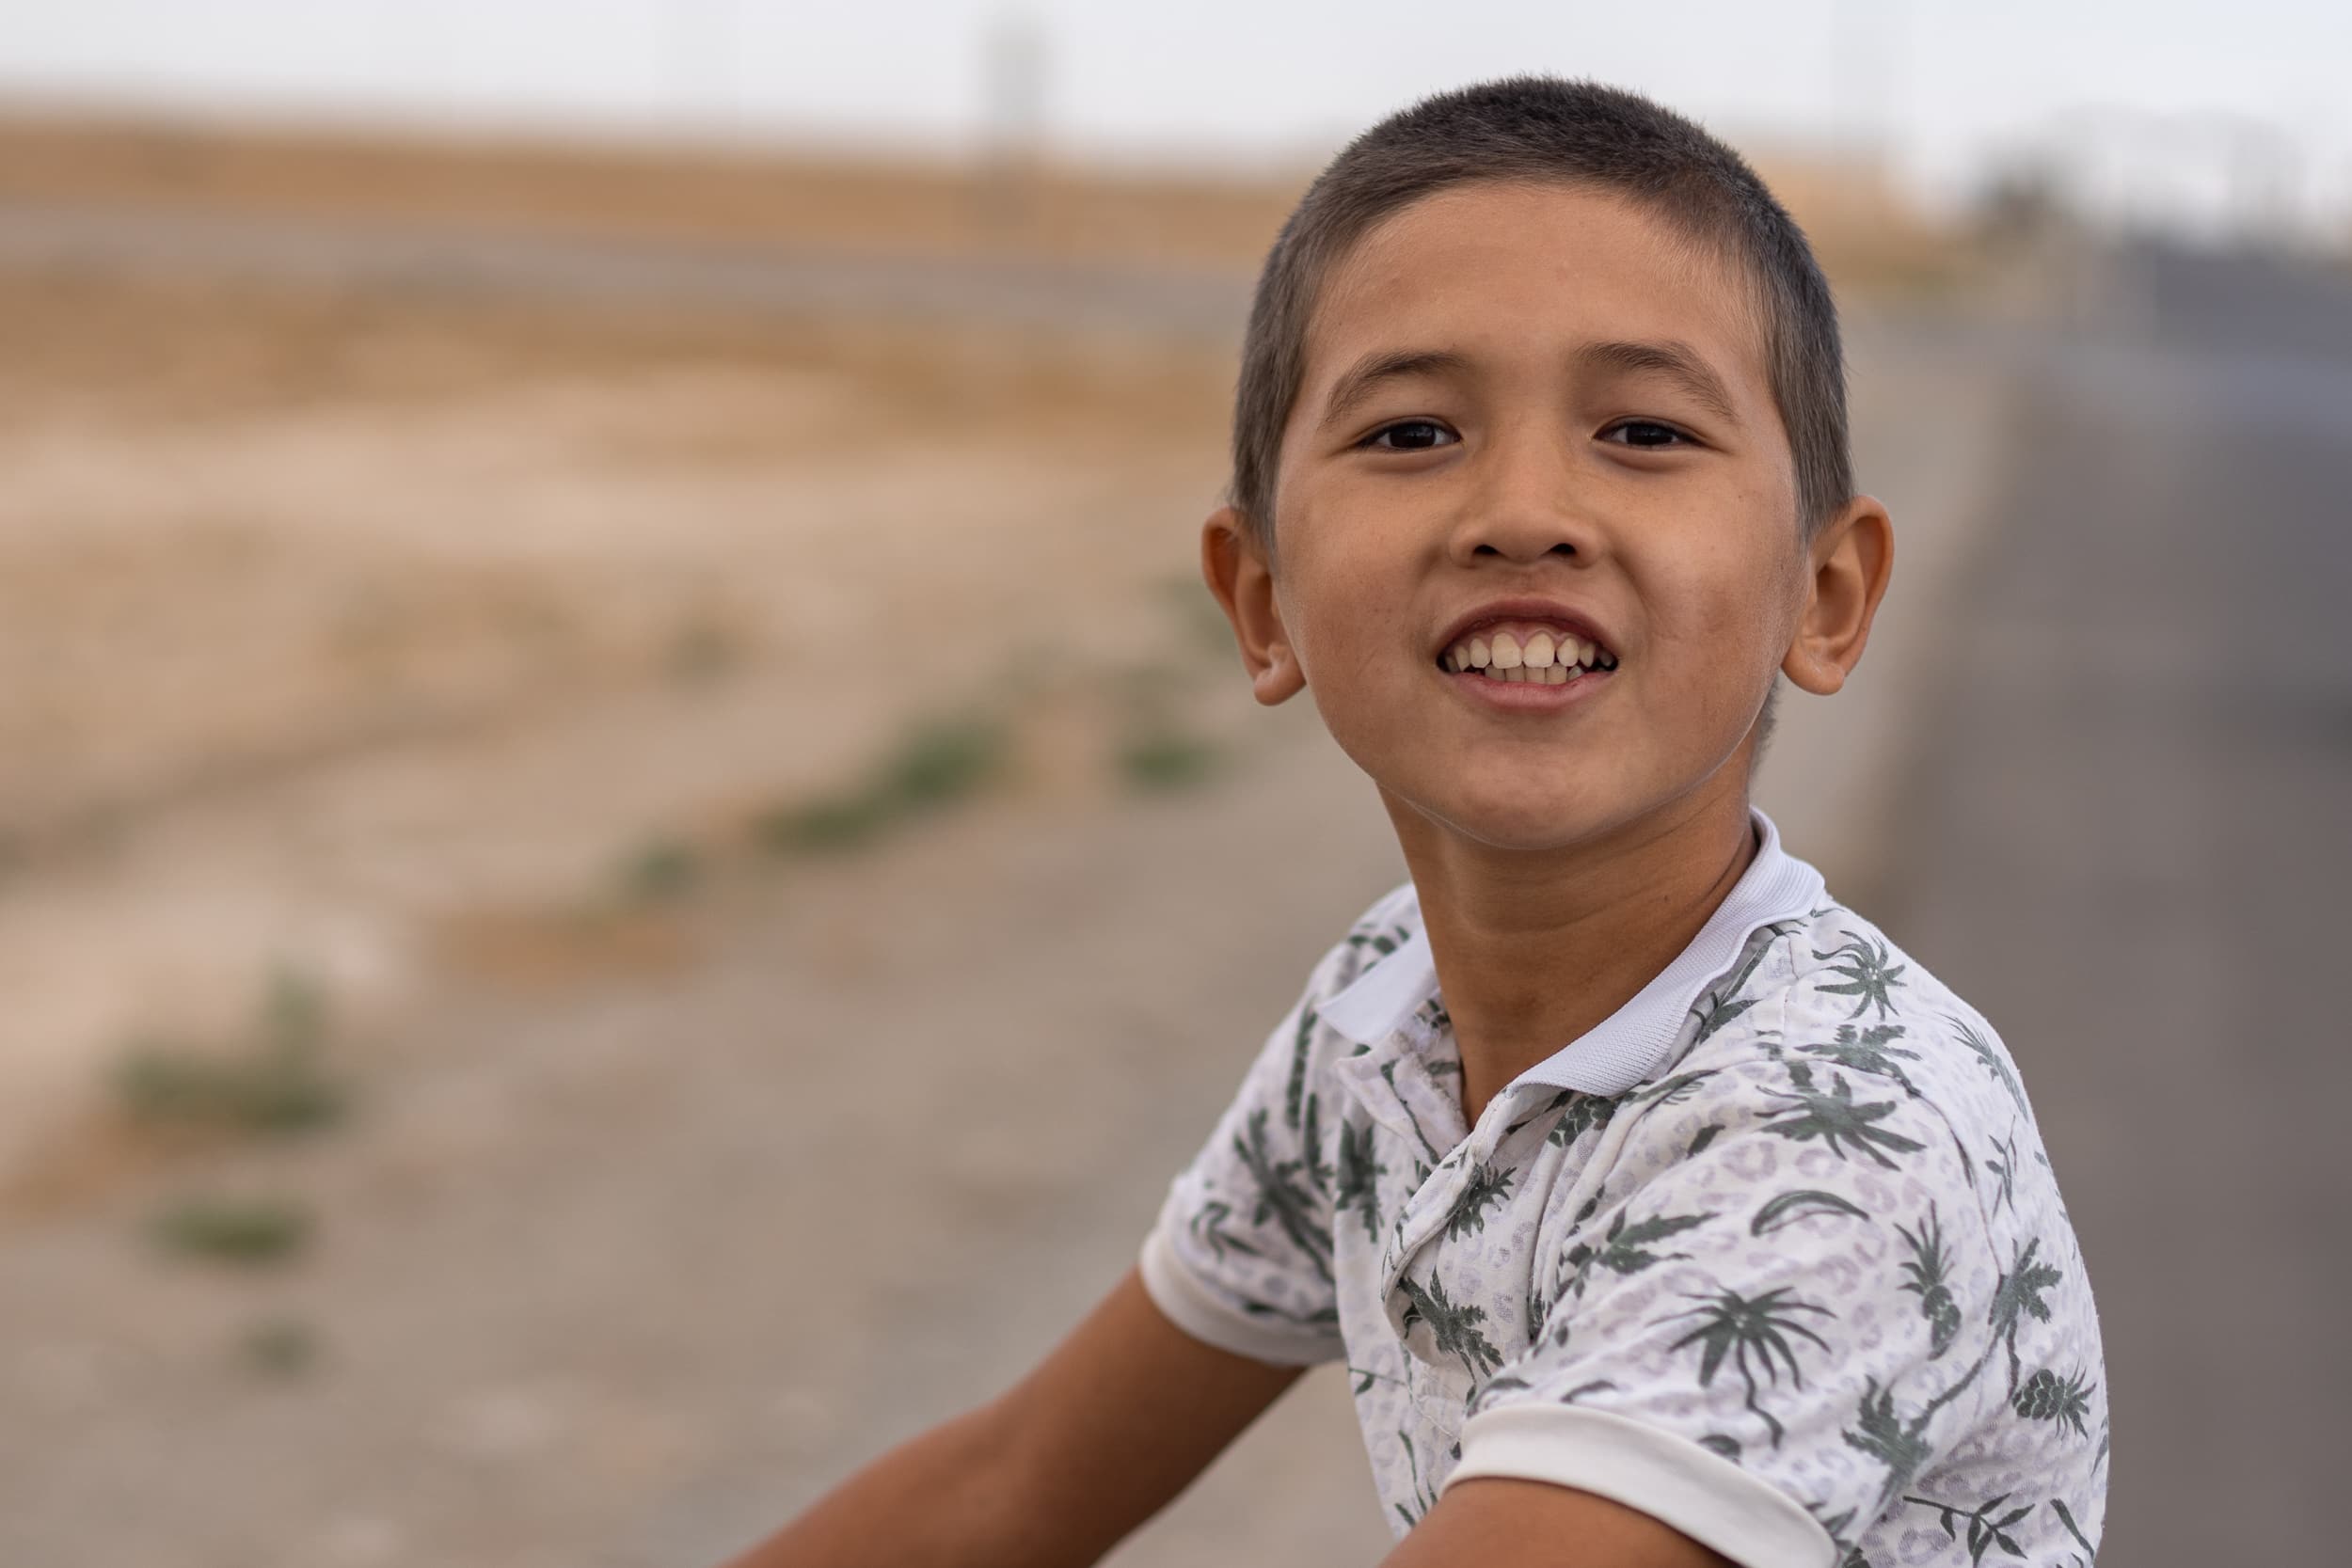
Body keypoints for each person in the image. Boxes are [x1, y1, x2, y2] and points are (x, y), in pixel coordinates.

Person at [724, 77, 2106, 1568]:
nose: (1522, 509)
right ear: (1263, 604)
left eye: (1642, 429)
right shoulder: (1382, 1024)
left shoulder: (1845, 1137)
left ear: (1823, 599)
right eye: (1410, 433)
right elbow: (1015, 1483)